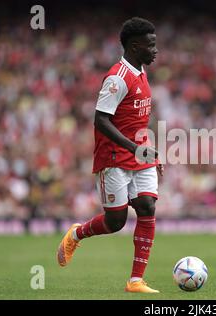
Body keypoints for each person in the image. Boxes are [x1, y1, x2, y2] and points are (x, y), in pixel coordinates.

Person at [56, 17, 163, 293]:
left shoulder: (141, 71)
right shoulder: (117, 78)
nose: (156, 50)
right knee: (115, 222)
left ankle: (136, 280)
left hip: (139, 154)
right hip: (114, 157)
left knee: (147, 207)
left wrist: (149, 151)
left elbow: (137, 119)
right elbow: (101, 121)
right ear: (135, 46)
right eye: (151, 46)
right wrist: (134, 147)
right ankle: (77, 234)